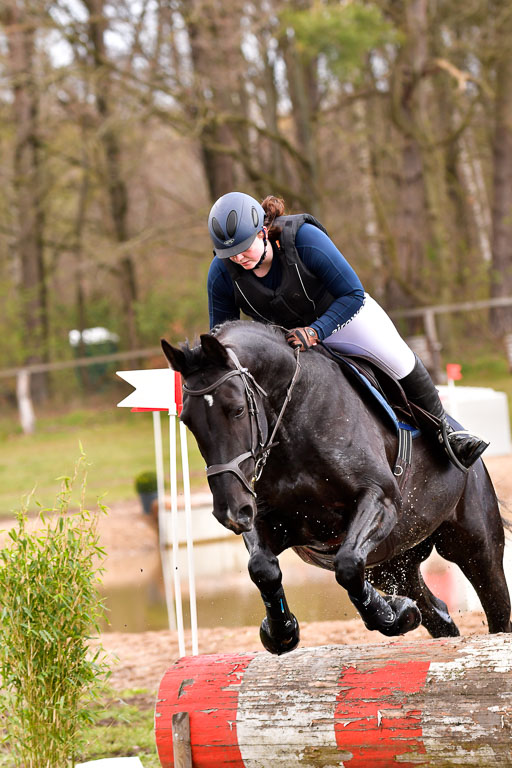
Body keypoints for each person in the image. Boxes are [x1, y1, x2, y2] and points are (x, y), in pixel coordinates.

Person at [207, 191, 488, 471]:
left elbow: (352, 294)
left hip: (343, 318)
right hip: (287, 343)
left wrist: (316, 331)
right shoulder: (221, 273)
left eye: (244, 247)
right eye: (230, 254)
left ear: (262, 231)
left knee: (398, 358)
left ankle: (446, 433)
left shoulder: (304, 238)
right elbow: (223, 337)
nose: (238, 257)